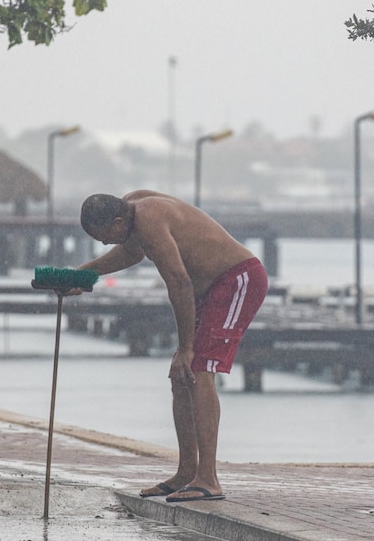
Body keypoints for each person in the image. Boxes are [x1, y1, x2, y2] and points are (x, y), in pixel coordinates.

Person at [70, 190, 268, 502]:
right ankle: (187, 472)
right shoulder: (134, 207)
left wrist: (186, 347)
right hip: (210, 289)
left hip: (238, 279)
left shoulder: (149, 219)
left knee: (199, 368)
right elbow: (132, 253)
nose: (107, 244)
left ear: (119, 221)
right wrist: (86, 273)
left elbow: (179, 282)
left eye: (105, 237)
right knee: (181, 376)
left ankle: (209, 479)